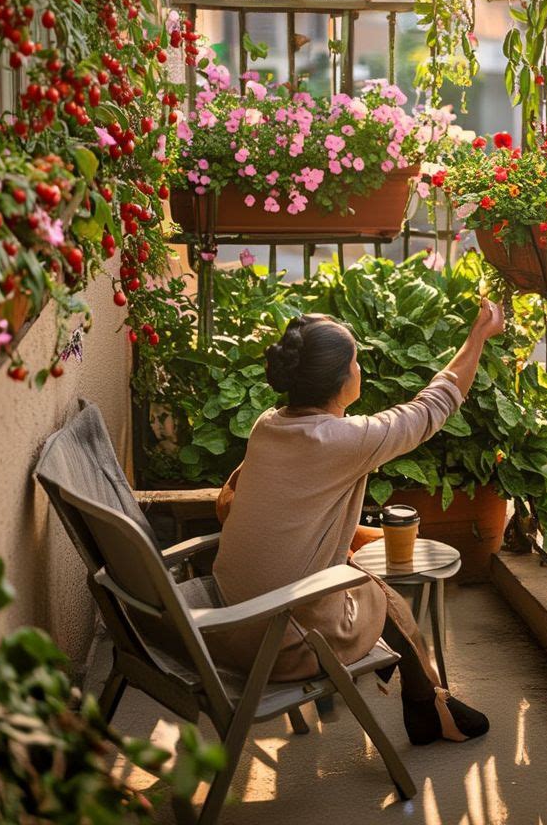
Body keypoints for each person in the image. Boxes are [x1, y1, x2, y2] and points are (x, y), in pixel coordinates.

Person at [210, 297, 505, 745]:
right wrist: (477, 336)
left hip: (229, 624)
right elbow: (434, 405)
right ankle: (429, 704)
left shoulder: (268, 426)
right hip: (280, 646)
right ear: (341, 379)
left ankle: (429, 700)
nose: (359, 368)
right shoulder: (340, 440)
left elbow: (247, 506)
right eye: (355, 361)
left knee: (357, 570)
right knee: (380, 593)